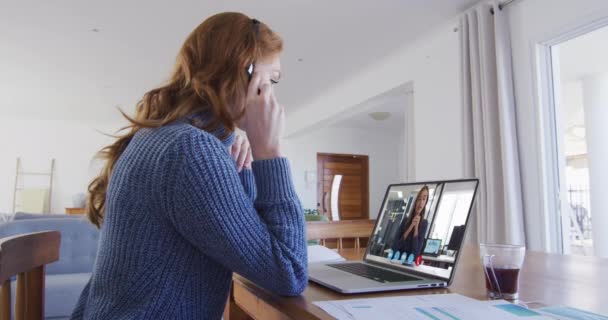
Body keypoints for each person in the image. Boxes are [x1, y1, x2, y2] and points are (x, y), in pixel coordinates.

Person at [71, 12, 307, 320]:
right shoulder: (191, 151)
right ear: (244, 72)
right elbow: (289, 271)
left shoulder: (170, 137)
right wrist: (271, 152)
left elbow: (244, 241)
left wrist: (246, 163)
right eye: (271, 80)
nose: (273, 95)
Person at [391, 186, 430, 258]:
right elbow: (394, 247)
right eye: (419, 199)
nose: (421, 202)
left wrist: (416, 228)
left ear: (426, 202)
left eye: (424, 199)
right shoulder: (405, 220)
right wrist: (411, 226)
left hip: (409, 264)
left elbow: (416, 253)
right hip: (397, 260)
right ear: (415, 201)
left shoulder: (424, 223)